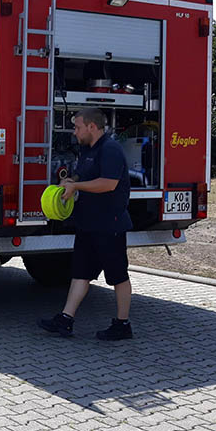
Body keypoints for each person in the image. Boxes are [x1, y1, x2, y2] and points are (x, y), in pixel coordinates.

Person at [37, 108, 134, 341]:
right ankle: (66, 320)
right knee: (80, 273)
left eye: (78, 126)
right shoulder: (87, 149)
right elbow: (83, 175)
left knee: (118, 276)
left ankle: (122, 324)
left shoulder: (110, 149)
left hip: (109, 225)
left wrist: (77, 188)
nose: (74, 131)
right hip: (87, 223)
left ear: (92, 127)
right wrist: (70, 181)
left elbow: (108, 183)